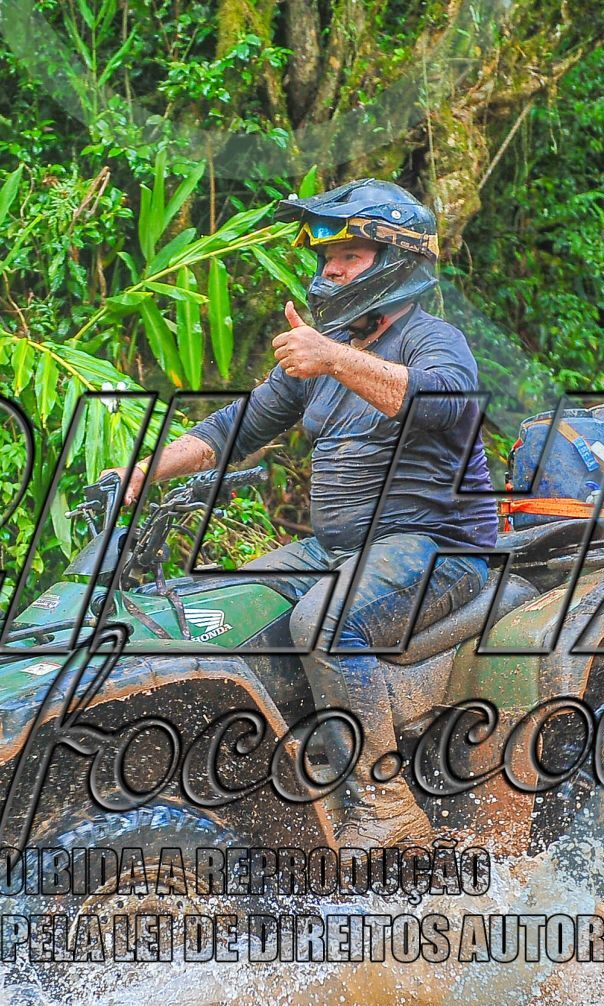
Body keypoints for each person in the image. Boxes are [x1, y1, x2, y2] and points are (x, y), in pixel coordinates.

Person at [101, 178, 498, 848]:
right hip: (335, 550)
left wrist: (332, 357)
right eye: (326, 256)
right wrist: (142, 472)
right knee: (215, 605)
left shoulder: (432, 340)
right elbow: (235, 428)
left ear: (395, 261)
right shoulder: (325, 348)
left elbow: (444, 399)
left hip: (438, 547)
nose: (331, 270)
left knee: (326, 621)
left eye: (350, 255)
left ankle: (387, 804)